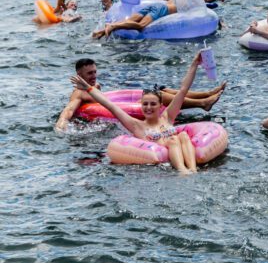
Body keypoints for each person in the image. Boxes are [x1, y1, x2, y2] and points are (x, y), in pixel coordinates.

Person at [70, 54, 206, 174]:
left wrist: (194, 64)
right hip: (164, 162)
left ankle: (193, 169)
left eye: (153, 104)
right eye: (145, 104)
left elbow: (183, 90)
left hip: (180, 153)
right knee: (173, 139)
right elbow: (110, 106)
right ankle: (182, 171)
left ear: (160, 106)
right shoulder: (136, 125)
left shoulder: (167, 117)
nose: (148, 108)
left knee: (181, 135)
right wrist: (88, 88)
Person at [56, 58, 227, 132]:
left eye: (94, 72)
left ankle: (206, 94)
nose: (93, 77)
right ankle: (203, 103)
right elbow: (69, 109)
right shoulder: (78, 92)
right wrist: (62, 124)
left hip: (119, 105)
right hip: (123, 111)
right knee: (157, 95)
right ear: (79, 76)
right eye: (89, 74)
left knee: (164, 90)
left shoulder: (95, 86)